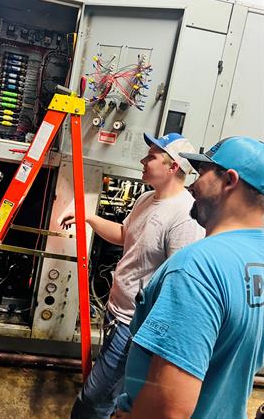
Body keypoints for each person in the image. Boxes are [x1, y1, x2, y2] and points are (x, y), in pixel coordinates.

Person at [115, 136, 264, 419]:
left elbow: (169, 409)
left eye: (201, 173)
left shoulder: (198, 266)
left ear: (229, 181)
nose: (193, 185)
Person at [61, 132, 205, 419]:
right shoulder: (146, 198)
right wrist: (88, 217)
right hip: (116, 314)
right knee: (111, 393)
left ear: (173, 166)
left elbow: (178, 284)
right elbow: (124, 235)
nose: (143, 160)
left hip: (135, 326)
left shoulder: (184, 217)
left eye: (151, 156)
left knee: (93, 400)